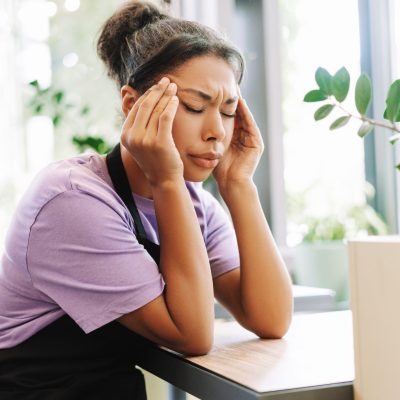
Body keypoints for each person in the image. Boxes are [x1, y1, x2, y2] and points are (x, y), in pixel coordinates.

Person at [0, 1, 293, 398]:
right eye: (194, 106)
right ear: (131, 104)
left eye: (227, 112)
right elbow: (192, 334)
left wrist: (240, 185)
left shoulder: (197, 207)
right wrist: (168, 180)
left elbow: (271, 318)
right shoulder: (70, 200)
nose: (216, 132)